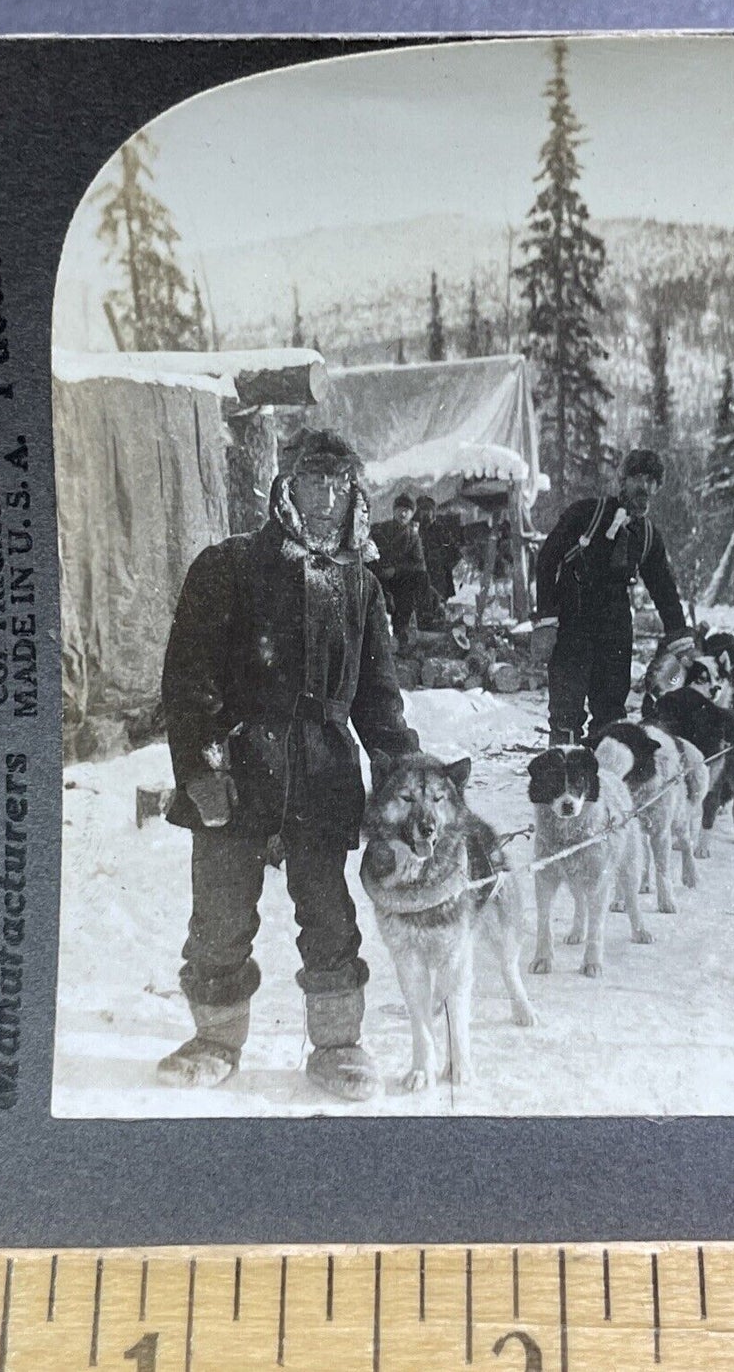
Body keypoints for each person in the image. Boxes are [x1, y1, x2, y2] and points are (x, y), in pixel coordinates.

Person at [157, 430, 419, 1101]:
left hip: (322, 777)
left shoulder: (360, 585)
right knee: (219, 916)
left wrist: (408, 780)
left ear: (355, 493)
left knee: (329, 919)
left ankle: (336, 1046)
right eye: (312, 481)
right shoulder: (229, 566)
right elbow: (188, 682)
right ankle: (214, 1038)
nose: (326, 496)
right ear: (285, 488)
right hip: (239, 771)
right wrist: (203, 766)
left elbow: (378, 701)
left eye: (339, 483)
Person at [533, 448, 691, 745]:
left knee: (610, 713)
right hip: (574, 618)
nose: (643, 487)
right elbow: (547, 559)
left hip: (615, 626)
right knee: (566, 712)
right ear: (623, 481)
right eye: (637, 478)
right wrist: (547, 617)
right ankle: (563, 775)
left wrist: (679, 636)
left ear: (657, 488)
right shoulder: (587, 513)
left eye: (651, 481)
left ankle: (604, 778)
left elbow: (664, 589)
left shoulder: (647, 535)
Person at [370, 492, 440, 639]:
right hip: (378, 577)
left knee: (417, 583)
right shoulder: (379, 530)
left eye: (407, 511)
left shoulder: (413, 537)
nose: (403, 513)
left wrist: (395, 570)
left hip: (399, 581)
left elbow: (419, 565)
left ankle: (404, 632)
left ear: (412, 514)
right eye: (400, 509)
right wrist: (380, 570)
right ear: (393, 510)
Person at [416, 494, 461, 604]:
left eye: (428, 510)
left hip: (439, 580)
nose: (425, 513)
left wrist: (442, 565)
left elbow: (455, 554)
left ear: (433, 512)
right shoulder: (414, 532)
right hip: (419, 580)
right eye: (423, 510)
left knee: (438, 610)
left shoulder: (441, 531)